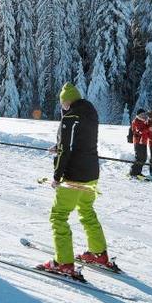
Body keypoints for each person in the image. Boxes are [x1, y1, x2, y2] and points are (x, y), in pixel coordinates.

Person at [37, 82, 114, 277]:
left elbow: (67, 150)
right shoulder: (90, 114)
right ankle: (98, 253)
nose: (62, 107)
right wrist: (59, 144)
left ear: (68, 101)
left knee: (59, 216)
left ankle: (63, 263)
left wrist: (56, 176)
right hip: (92, 174)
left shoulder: (69, 117)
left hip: (74, 176)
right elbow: (79, 140)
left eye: (63, 103)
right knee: (86, 211)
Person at [127, 110, 151, 178]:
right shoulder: (136, 121)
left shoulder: (144, 122)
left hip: (143, 142)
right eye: (142, 115)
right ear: (138, 115)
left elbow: (145, 131)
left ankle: (138, 172)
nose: (143, 116)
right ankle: (133, 172)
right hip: (138, 142)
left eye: (144, 114)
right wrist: (148, 129)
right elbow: (139, 131)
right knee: (139, 158)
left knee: (143, 158)